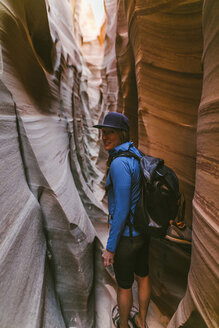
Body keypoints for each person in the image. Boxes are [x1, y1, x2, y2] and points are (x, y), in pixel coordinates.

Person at [94, 112, 150, 328]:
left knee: (124, 286)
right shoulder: (136, 154)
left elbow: (122, 210)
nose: (105, 137)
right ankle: (142, 321)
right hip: (143, 232)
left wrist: (110, 247)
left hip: (127, 238)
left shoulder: (119, 164)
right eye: (103, 133)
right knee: (143, 277)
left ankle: (124, 324)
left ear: (122, 134)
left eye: (110, 133)